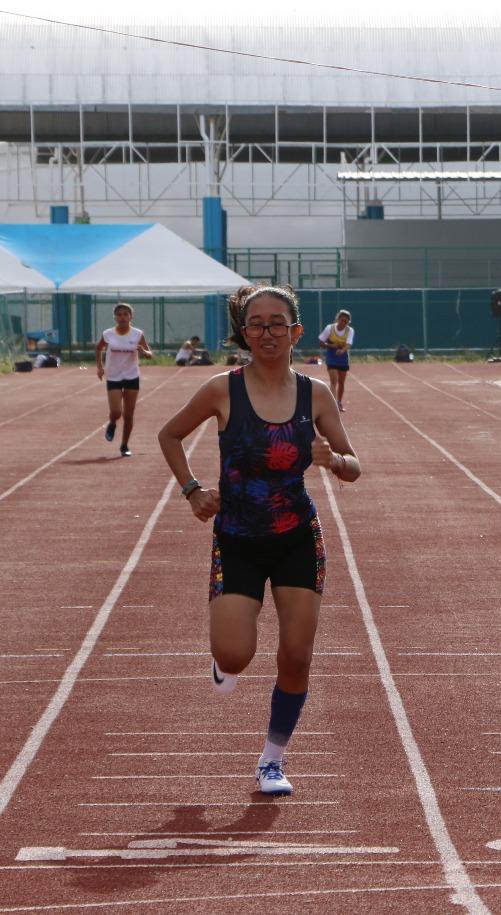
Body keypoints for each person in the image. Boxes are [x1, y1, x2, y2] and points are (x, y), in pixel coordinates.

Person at [156, 284, 361, 797]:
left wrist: (332, 461)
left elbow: (354, 464)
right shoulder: (222, 389)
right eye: (256, 324)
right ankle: (222, 660)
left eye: (276, 323)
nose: (266, 332)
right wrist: (191, 490)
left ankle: (272, 759)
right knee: (235, 656)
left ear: (295, 332)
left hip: (296, 537)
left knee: (296, 653)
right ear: (243, 333)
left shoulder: (316, 393)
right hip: (238, 538)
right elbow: (169, 435)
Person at [94, 302, 153, 457]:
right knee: (116, 412)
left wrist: (145, 352)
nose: (122, 317)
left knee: (128, 414)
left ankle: (124, 445)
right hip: (113, 376)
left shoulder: (137, 334)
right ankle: (112, 423)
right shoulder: (108, 334)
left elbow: (149, 353)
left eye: (125, 314)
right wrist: (100, 367)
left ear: (131, 317)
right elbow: (98, 348)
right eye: (119, 314)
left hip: (132, 376)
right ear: (115, 317)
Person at [318, 310, 354, 411]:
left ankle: (339, 402)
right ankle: (333, 404)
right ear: (338, 319)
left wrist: (342, 351)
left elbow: (348, 345)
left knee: (342, 382)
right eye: (342, 320)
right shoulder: (330, 328)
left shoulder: (349, 330)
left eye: (346, 322)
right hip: (332, 356)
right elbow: (321, 342)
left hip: (343, 358)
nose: (343, 323)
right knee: (334, 381)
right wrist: (331, 345)